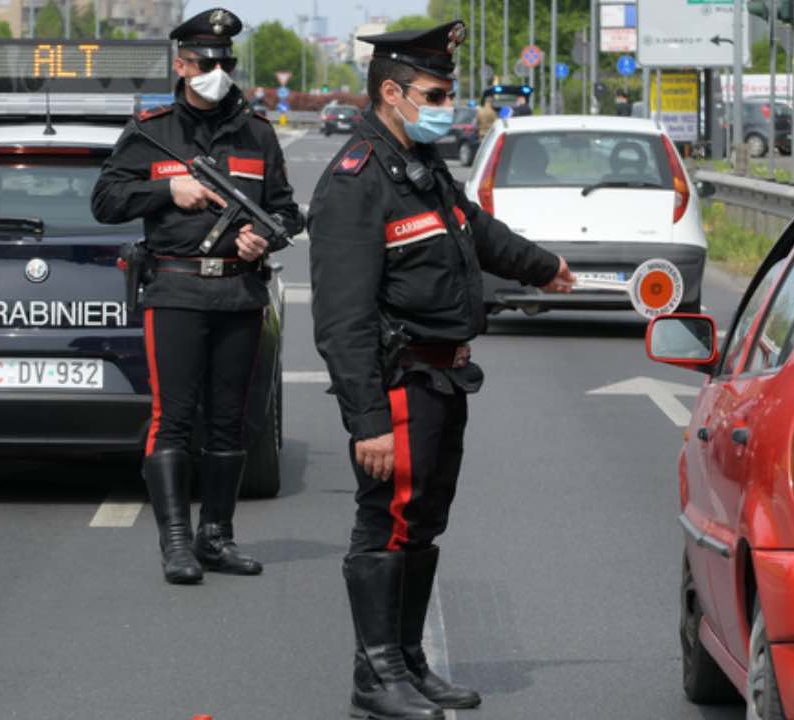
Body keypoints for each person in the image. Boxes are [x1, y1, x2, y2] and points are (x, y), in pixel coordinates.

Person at [308, 20, 575, 720]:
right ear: (391, 93)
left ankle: (408, 662)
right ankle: (375, 675)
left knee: (422, 521)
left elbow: (474, 230)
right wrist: (367, 420)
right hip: (400, 380)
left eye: (449, 93)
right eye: (434, 94)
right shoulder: (356, 182)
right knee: (387, 520)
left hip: (445, 377)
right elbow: (341, 320)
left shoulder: (420, 168)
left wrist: (542, 266)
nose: (447, 105)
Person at [91, 7, 302, 585]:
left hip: (239, 291)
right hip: (176, 289)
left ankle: (217, 536)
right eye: (205, 63)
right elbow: (105, 201)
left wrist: (265, 237)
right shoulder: (151, 131)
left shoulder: (256, 132)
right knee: (175, 418)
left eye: (225, 63)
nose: (217, 73)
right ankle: (177, 543)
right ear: (181, 66)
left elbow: (286, 210)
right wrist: (168, 191)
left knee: (230, 421)